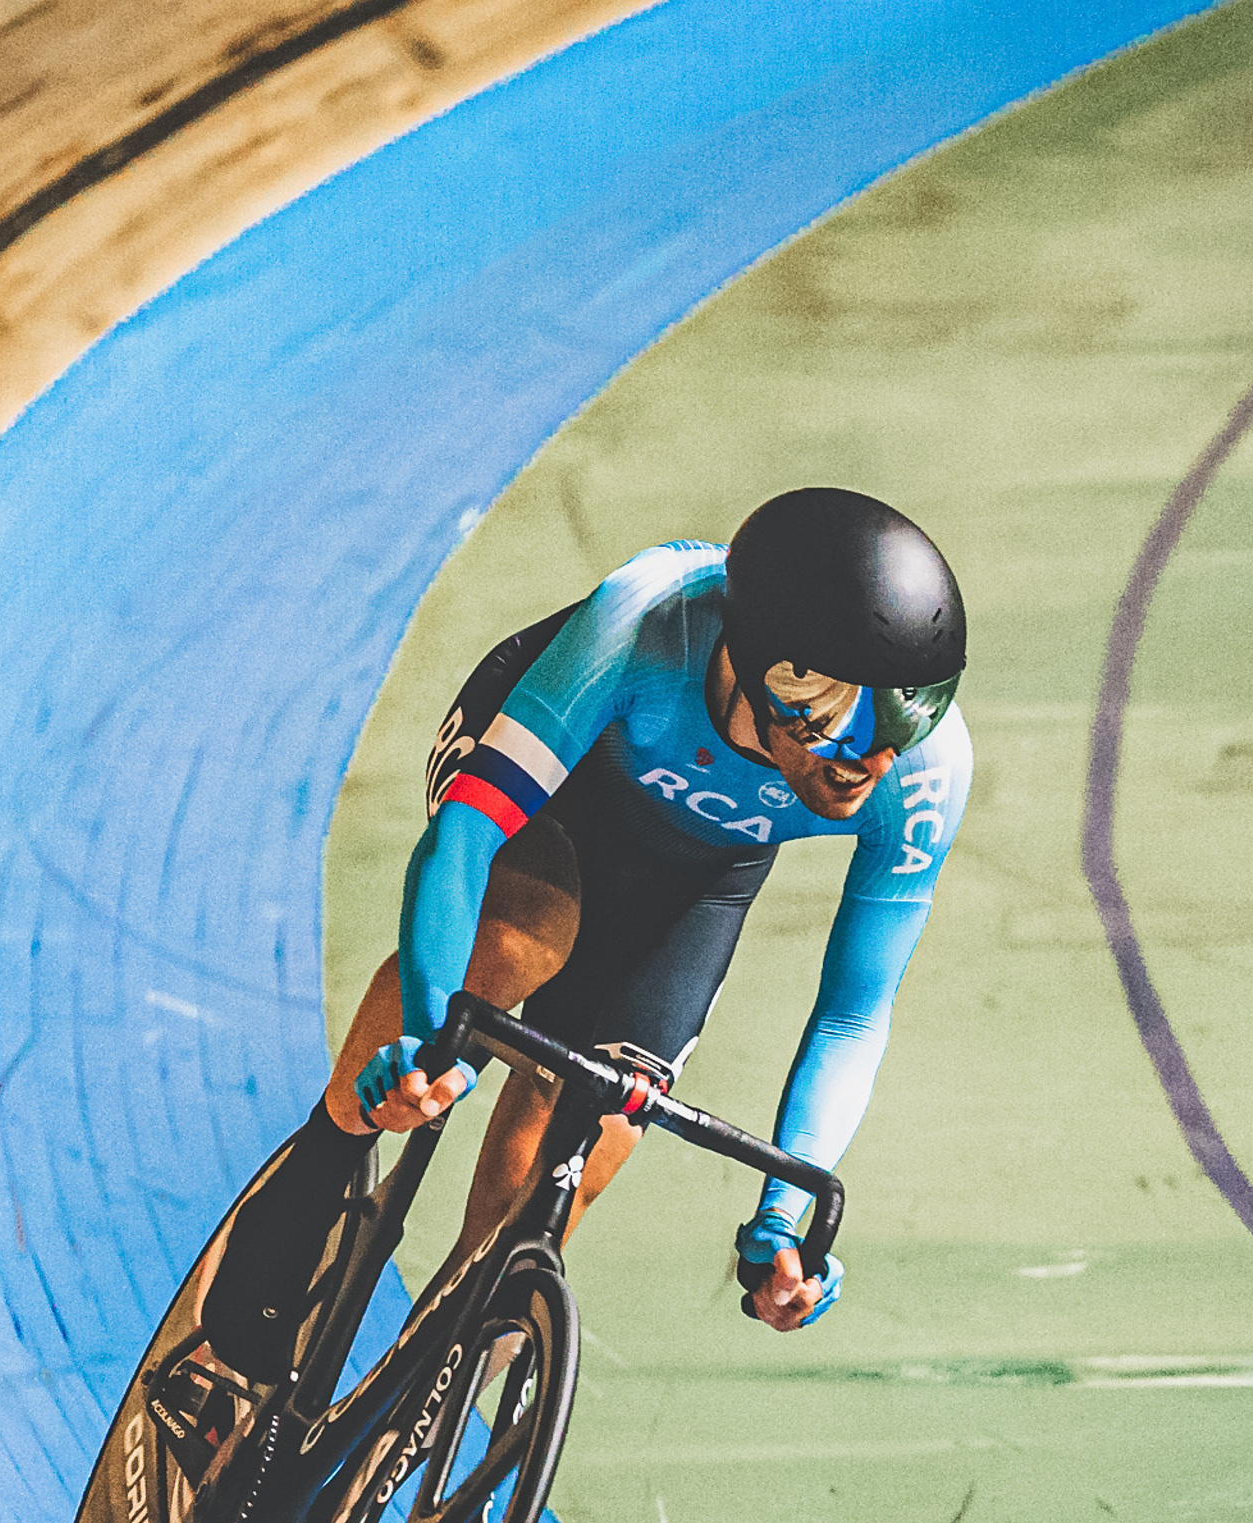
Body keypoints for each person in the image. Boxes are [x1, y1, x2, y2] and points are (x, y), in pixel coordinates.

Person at [201, 484, 972, 1383]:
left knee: (595, 1124)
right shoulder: (647, 622)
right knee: (521, 938)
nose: (872, 763)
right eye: (840, 726)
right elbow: (466, 836)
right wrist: (425, 1032)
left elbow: (853, 1014)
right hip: (551, 789)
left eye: (904, 723)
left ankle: (408, 1410)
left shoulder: (924, 772)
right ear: (763, 669)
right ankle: (324, 1155)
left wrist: (782, 1216)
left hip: (694, 870)